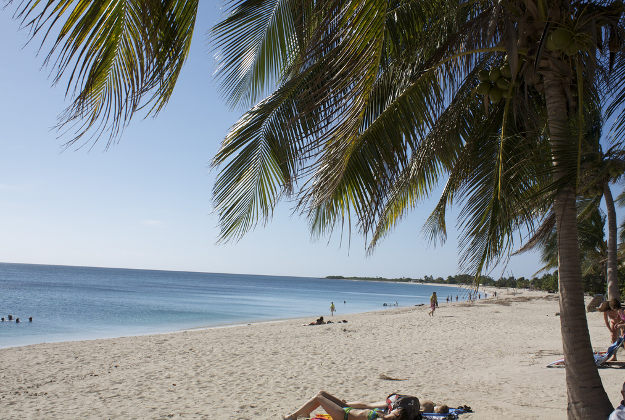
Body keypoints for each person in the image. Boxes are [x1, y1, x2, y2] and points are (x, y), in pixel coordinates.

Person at [283, 390, 421, 420]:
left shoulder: (382, 417)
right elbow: (364, 405)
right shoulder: (385, 412)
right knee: (321, 393)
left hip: (343, 415)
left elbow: (366, 405)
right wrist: (346, 403)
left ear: (397, 414)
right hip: (347, 409)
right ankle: (301, 413)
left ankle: (293, 416)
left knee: (319, 397)